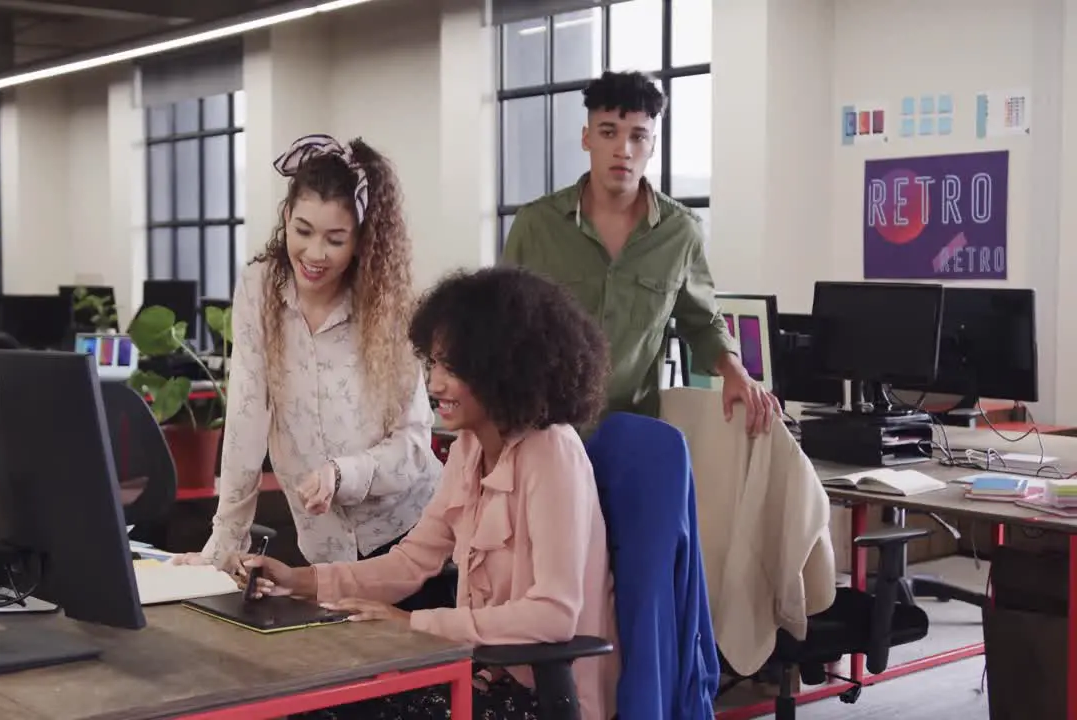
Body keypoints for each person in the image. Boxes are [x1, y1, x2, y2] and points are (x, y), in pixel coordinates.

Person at [242, 266, 618, 720]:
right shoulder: (471, 447)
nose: (434, 384)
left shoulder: (552, 453)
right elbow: (410, 562)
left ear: (503, 368)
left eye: (453, 369)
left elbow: (554, 615)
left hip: (542, 698)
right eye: (434, 364)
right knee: (310, 702)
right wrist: (298, 580)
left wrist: (415, 623)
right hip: (484, 675)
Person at [176, 134, 445, 609]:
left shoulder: (387, 305)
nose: (315, 253)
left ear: (362, 240)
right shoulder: (260, 289)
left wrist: (344, 473)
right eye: (303, 230)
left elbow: (415, 448)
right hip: (323, 550)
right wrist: (222, 546)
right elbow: (245, 418)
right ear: (285, 219)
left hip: (411, 537)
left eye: (335, 239)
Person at [501, 70, 779, 436]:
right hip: (542, 434)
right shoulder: (537, 225)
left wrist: (736, 374)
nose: (623, 150)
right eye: (608, 132)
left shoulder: (680, 233)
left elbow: (703, 322)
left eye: (637, 136)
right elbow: (501, 329)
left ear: (653, 144)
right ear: (587, 138)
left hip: (630, 436)